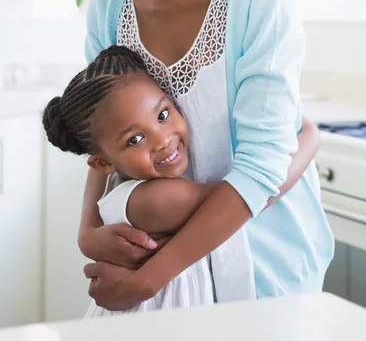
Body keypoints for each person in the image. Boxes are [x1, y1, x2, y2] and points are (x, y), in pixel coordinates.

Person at [51, 0, 334, 311]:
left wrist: (148, 279)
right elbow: (100, 130)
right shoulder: (106, 3)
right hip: (171, 281)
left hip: (265, 265)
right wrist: (88, 230)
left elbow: (262, 168)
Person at [42, 45, 257, 316]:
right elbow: (248, 192)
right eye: (135, 139)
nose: (163, 140)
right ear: (103, 163)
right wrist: (309, 139)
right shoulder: (160, 199)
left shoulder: (120, 186)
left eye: (162, 115)